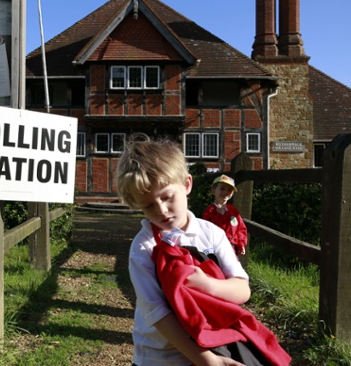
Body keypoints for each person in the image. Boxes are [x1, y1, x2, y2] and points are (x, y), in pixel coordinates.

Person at [116, 133, 290, 366]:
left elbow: (242, 290)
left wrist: (209, 285)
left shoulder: (212, 234)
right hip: (160, 357)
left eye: (168, 197)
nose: (162, 210)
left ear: (187, 184)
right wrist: (207, 361)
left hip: (215, 344)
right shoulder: (144, 247)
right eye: (148, 205)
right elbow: (156, 313)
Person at [202, 175, 248, 256]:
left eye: (229, 190)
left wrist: (241, 243)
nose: (226, 192)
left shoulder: (233, 211)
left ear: (232, 194)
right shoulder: (209, 211)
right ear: (213, 191)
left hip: (231, 249)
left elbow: (241, 228)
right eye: (222, 188)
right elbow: (206, 230)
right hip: (215, 250)